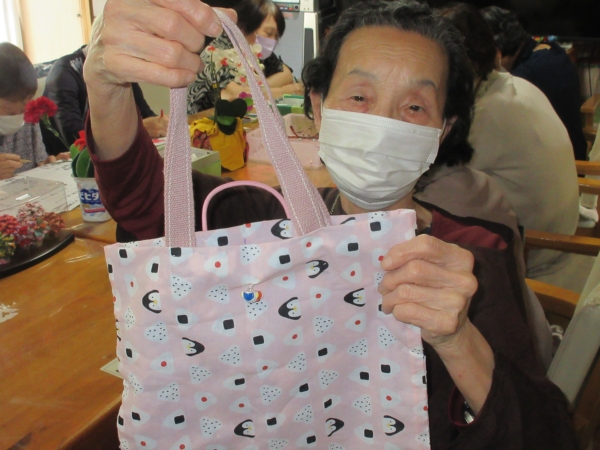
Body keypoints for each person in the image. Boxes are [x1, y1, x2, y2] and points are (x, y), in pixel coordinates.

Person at [84, 0, 576, 447]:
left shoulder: (471, 254)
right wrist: (105, 86)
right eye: (359, 97)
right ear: (317, 107)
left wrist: (458, 339)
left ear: (442, 131)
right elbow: (143, 198)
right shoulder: (268, 223)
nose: (383, 123)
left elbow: (547, 435)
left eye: (414, 106)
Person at [439, 4, 585, 289]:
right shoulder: (516, 85)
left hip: (538, 258)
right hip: (562, 235)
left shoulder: (485, 116)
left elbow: (430, 184)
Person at [481, 6, 587, 162]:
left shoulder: (524, 78)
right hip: (572, 155)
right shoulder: (551, 50)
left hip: (565, 166)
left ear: (497, 53)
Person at [42, 42, 169, 156]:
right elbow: (76, 138)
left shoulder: (120, 66)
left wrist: (160, 124)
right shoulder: (64, 73)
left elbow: (145, 114)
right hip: (73, 165)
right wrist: (137, 130)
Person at [187, 0, 303, 114]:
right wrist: (282, 91)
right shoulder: (217, 52)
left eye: (276, 36)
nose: (273, 40)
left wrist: (255, 88)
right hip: (201, 121)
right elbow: (237, 95)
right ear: (244, 27)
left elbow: (286, 74)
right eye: (268, 33)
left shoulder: (259, 51)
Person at [0, 42, 66, 180]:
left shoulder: (28, 120)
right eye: (9, 110)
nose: (17, 115)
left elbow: (36, 163)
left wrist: (47, 168)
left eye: (24, 106)